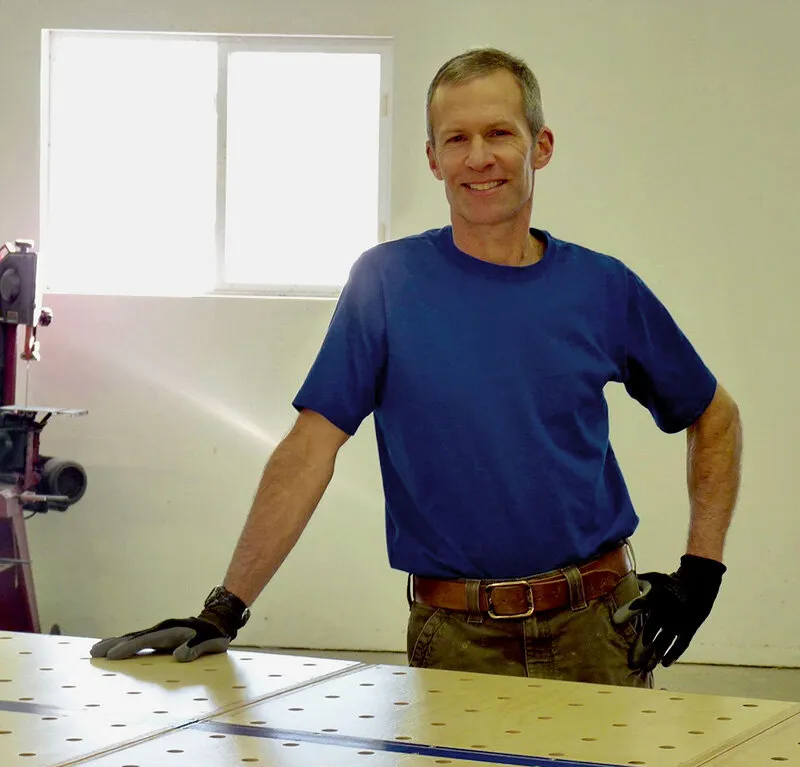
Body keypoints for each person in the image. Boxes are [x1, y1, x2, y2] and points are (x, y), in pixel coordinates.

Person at [90, 47, 742, 688]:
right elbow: (310, 448)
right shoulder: (386, 283)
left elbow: (714, 415)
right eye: (456, 138)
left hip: (599, 630)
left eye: (499, 133)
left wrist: (701, 573)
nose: (478, 157)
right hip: (459, 639)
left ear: (540, 146)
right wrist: (223, 608)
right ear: (433, 158)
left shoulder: (602, 288)